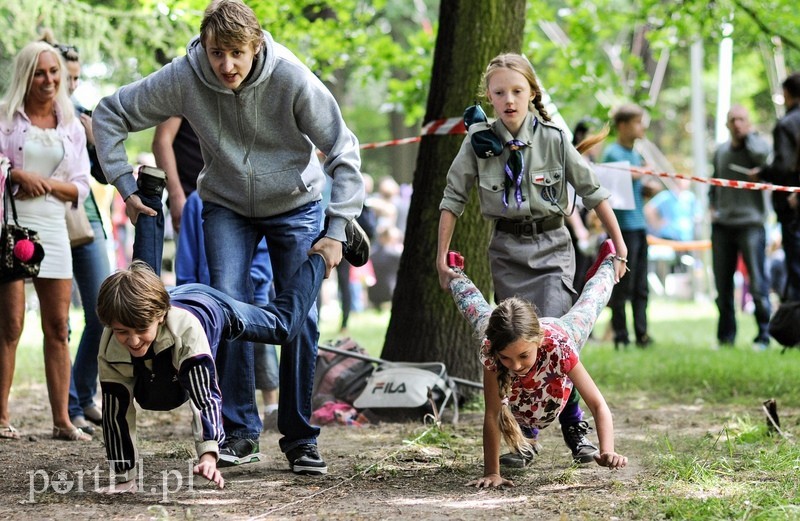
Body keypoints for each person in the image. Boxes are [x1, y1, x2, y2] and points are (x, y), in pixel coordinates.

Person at [92, 0, 367, 474]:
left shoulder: (291, 77)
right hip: (225, 205)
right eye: (217, 53)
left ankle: (300, 437)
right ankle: (239, 432)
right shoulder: (184, 75)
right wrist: (124, 184)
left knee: (298, 317)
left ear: (256, 45)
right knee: (227, 311)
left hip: (296, 202)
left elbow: (343, 150)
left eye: (237, 53)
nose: (226, 65)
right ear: (205, 48)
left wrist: (336, 229)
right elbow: (109, 113)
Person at [437, 53, 628, 468]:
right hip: (506, 251)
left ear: (531, 93)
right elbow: (452, 199)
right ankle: (526, 438)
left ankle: (575, 426)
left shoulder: (555, 139)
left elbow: (594, 192)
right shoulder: (477, 142)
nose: (509, 99)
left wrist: (618, 241)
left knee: (557, 340)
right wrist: (441, 257)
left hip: (553, 248)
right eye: (500, 92)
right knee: (516, 345)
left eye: (517, 91)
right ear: (488, 96)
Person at [96, 249, 329, 492]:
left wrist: (208, 455)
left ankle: (322, 257)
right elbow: (115, 413)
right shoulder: (112, 339)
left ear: (161, 317)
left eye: (141, 329)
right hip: (168, 305)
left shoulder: (185, 331)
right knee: (148, 392)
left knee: (282, 327)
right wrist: (125, 478)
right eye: (122, 332)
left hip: (210, 305)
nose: (132, 341)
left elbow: (204, 396)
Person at [448, 242, 628, 488]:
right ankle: (456, 271)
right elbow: (492, 414)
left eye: (523, 356)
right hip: (506, 337)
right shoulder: (491, 348)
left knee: (592, 302)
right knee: (475, 309)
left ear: (538, 342)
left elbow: (597, 403)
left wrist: (608, 450)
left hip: (563, 330)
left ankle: (608, 260)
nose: (516, 365)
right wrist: (492, 473)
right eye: (506, 358)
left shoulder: (558, 345)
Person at [0, 41, 92, 441]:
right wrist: (17, 175)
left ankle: (62, 420)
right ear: (26, 75)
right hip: (12, 228)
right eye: (40, 72)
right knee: (11, 325)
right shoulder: (6, 118)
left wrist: (50, 184)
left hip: (54, 228)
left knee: (58, 327)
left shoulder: (70, 125)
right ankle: (1, 417)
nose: (49, 80)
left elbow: (82, 187)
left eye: (54, 72)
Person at [42, 36, 113, 434]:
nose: (70, 85)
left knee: (103, 311)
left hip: (87, 222)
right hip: (46, 222)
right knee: (57, 320)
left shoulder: (83, 114)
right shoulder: (30, 117)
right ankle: (68, 406)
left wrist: (93, 141)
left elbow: (103, 176)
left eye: (75, 78)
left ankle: (82, 397)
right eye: (65, 76)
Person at [176, 190, 281, 433]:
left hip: (252, 290)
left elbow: (263, 253)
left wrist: (255, 281)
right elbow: (187, 254)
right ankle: (212, 411)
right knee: (207, 354)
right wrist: (191, 295)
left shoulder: (255, 197)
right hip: (206, 298)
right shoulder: (195, 202)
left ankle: (272, 406)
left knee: (261, 346)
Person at [710, 106, 772, 350]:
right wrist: (712, 208)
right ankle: (726, 337)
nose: (737, 124)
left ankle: (763, 336)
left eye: (742, 120)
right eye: (732, 120)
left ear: (749, 123)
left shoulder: (757, 147)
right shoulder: (721, 151)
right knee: (722, 285)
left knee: (758, 283)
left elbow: (764, 157)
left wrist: (750, 136)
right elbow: (713, 183)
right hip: (723, 225)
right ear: (726, 124)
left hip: (751, 224)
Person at [600, 103, 653, 349]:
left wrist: (647, 186)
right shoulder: (613, 154)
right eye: (637, 122)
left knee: (641, 284)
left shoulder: (636, 154)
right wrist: (641, 173)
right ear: (623, 126)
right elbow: (617, 180)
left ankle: (642, 333)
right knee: (624, 285)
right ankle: (621, 334)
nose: (642, 127)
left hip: (640, 225)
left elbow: (634, 186)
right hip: (623, 229)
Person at [752, 73, 800, 302]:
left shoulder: (787, 124)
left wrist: (763, 172)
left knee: (796, 265)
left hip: (792, 205)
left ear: (788, 94)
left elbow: (784, 165)